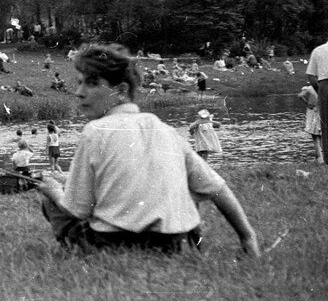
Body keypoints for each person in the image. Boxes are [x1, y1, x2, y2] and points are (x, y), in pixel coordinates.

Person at [36, 43, 260, 255]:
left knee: (52, 198)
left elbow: (77, 209)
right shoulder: (163, 128)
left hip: (113, 244)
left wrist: (55, 191)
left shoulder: (94, 130)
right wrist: (247, 236)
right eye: (79, 82)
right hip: (176, 243)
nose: (79, 92)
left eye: (92, 83)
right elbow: (217, 188)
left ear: (121, 90)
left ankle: (73, 249)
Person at [306, 35, 328, 164]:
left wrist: (320, 90)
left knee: (325, 123)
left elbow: (311, 74)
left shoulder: (318, 50)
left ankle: (327, 157)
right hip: (324, 84)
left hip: (324, 85)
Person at [299, 83, 323, 163]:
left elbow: (300, 95)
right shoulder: (322, 88)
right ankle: (321, 157)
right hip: (321, 112)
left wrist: (307, 103)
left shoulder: (309, 89)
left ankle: (319, 157)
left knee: (315, 137)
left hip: (312, 112)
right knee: (321, 136)